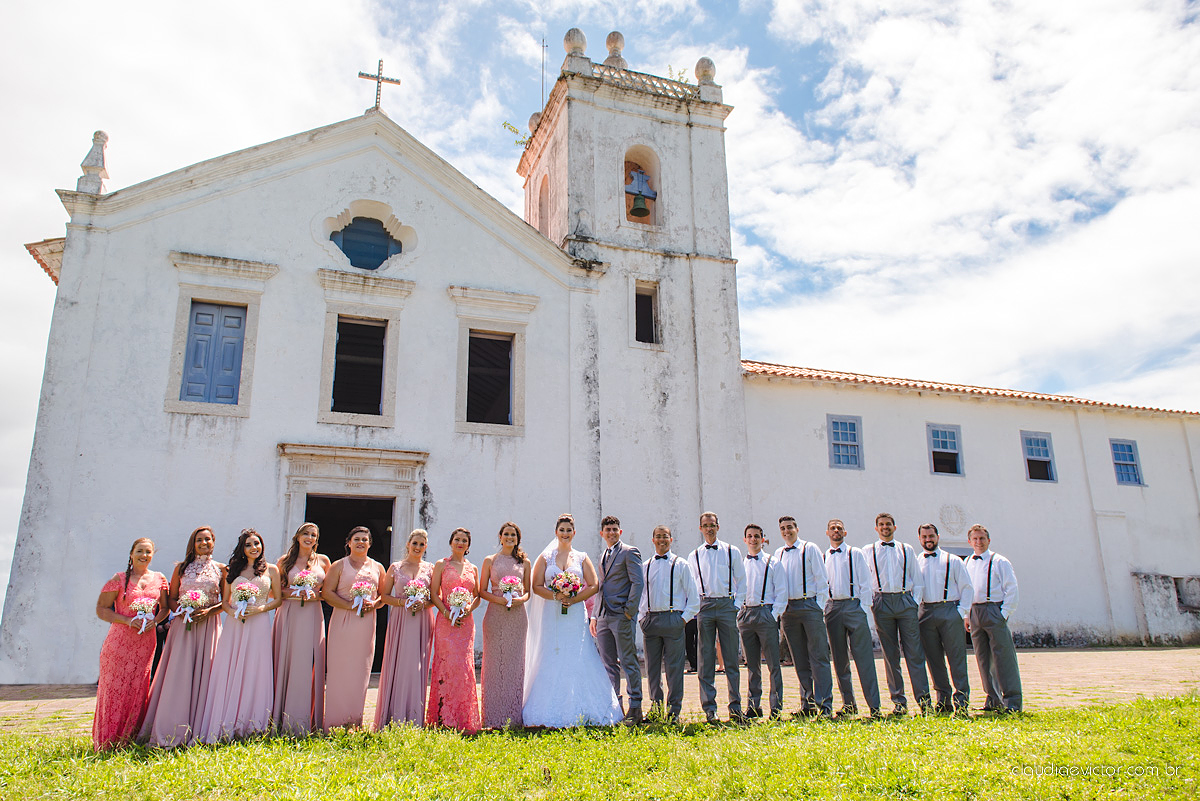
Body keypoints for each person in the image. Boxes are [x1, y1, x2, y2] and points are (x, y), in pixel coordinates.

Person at [522, 513, 622, 727]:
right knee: (552, 652)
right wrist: (556, 596)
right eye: (562, 530)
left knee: (578, 654)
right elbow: (537, 585)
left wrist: (575, 599)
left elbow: (594, 585)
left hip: (575, 614)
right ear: (556, 532)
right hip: (552, 614)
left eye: (569, 530)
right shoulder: (546, 557)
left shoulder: (581, 557)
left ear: (574, 533)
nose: (565, 533)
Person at [139, 525, 225, 747]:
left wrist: (208, 611)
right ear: (192, 543)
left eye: (208, 539)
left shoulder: (221, 569)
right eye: (199, 540)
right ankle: (171, 724)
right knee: (179, 672)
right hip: (183, 624)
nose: (204, 543)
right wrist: (186, 607)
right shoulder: (181, 568)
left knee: (207, 672)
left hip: (209, 626)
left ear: (214, 542)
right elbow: (171, 599)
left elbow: (226, 601)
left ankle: (200, 729)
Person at [197, 527, 282, 742]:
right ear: (242, 548)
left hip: (259, 623)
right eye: (249, 544)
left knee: (256, 666)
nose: (254, 548)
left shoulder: (271, 570)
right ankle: (227, 719)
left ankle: (253, 723)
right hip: (236, 624)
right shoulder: (232, 570)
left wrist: (260, 609)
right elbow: (225, 602)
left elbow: (278, 600)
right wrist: (234, 612)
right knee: (232, 665)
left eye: (257, 543)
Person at [93, 537, 169, 750]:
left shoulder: (160, 578)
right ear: (131, 554)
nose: (144, 555)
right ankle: (108, 741)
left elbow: (164, 608)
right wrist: (127, 620)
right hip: (119, 641)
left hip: (146, 642)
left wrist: (156, 621)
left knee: (138, 688)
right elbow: (101, 609)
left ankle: (131, 738)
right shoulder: (118, 579)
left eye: (148, 552)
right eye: (140, 551)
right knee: (114, 689)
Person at [864, 512, 930, 715]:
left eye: (889, 524)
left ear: (895, 527)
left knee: (914, 652)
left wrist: (913, 602)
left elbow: (916, 578)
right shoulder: (868, 550)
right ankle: (899, 701)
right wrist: (871, 603)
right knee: (890, 654)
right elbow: (865, 579)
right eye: (881, 524)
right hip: (881, 601)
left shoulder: (906, 548)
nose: (885, 527)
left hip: (904, 600)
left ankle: (924, 701)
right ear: (876, 528)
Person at [323, 526, 385, 730]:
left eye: (364, 539)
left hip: (366, 623)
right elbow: (327, 593)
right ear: (348, 542)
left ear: (369, 543)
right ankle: (335, 720)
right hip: (343, 620)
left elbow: (383, 596)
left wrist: (373, 604)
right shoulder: (338, 565)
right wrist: (350, 605)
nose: (361, 542)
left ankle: (355, 720)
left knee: (361, 670)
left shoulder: (377, 567)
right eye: (356, 539)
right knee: (340, 669)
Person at [272, 522, 331, 735]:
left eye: (313, 535)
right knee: (287, 660)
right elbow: (274, 593)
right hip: (289, 614)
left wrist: (317, 594)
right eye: (305, 533)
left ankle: (308, 718)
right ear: (298, 537)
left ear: (317, 539)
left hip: (313, 615)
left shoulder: (323, 561)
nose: (309, 537)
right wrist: (295, 593)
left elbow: (329, 591)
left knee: (309, 661)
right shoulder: (284, 561)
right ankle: (282, 717)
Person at [688, 511, 746, 724]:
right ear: (700, 528)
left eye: (712, 524)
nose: (709, 528)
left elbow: (742, 580)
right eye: (705, 525)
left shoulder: (732, 551)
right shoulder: (694, 555)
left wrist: (736, 606)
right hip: (705, 606)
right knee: (705, 659)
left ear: (718, 527)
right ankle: (709, 708)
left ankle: (735, 706)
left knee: (731, 658)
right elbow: (691, 584)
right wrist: (695, 609)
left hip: (726, 605)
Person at [374, 529, 436, 728]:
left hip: (422, 620)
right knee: (399, 663)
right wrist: (403, 603)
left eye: (422, 544)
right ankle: (393, 714)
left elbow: (435, 598)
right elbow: (384, 596)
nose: (418, 547)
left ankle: (414, 715)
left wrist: (424, 604)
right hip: (401, 619)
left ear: (425, 547)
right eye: (415, 543)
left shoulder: (430, 569)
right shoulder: (395, 567)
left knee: (417, 665)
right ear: (408, 544)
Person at [638, 525, 699, 724]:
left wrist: (683, 619)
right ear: (653, 540)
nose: (662, 540)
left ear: (671, 540)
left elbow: (694, 596)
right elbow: (641, 595)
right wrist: (642, 617)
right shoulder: (645, 566)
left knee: (674, 668)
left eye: (665, 537)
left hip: (674, 619)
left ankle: (674, 711)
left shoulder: (681, 564)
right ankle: (655, 709)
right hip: (651, 620)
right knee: (652, 669)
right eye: (658, 537)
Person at [823, 519, 881, 718]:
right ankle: (849, 703)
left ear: (845, 532)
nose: (836, 531)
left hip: (854, 606)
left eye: (839, 528)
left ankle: (874, 706)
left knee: (864, 659)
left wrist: (864, 609)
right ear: (827, 533)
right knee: (839, 660)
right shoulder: (825, 556)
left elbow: (865, 582)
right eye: (833, 528)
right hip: (833, 607)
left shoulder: (855, 553)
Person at [775, 515, 832, 717]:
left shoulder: (810, 548)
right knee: (799, 659)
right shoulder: (778, 553)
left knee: (819, 657)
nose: (786, 531)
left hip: (809, 605)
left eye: (789, 527)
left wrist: (818, 606)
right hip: (789, 610)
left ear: (797, 529)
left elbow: (821, 579)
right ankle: (807, 704)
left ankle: (825, 705)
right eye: (782, 528)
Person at [426, 527, 482, 732]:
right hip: (445, 621)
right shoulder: (442, 564)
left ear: (468, 545)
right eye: (457, 539)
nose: (460, 543)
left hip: (466, 623)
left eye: (464, 540)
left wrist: (468, 608)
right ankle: (442, 716)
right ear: (451, 542)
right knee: (446, 665)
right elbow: (434, 594)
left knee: (464, 666)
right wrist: (447, 613)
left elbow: (478, 595)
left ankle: (463, 717)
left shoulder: (473, 568)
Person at [591, 514, 645, 723]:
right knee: (608, 664)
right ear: (602, 533)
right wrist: (595, 615)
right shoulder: (603, 554)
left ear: (620, 532)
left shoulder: (629, 552)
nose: (611, 533)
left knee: (628, 661)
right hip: (604, 616)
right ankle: (615, 706)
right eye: (608, 530)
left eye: (615, 529)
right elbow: (601, 588)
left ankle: (636, 706)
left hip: (622, 616)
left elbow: (637, 583)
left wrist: (629, 612)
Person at [477, 522, 531, 729]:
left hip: (517, 615)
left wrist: (520, 600)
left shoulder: (524, 563)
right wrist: (500, 599)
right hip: (496, 613)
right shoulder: (490, 560)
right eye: (506, 534)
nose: (509, 538)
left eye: (513, 535)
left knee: (515, 664)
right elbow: (482, 590)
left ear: (518, 539)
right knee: (494, 663)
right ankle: (492, 716)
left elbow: (527, 591)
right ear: (500, 537)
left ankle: (513, 714)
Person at [915, 523, 973, 713]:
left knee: (956, 658)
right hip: (926, 611)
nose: (928, 540)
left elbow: (967, 588)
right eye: (924, 537)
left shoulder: (953, 560)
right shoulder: (916, 561)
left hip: (949, 610)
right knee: (933, 659)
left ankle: (962, 701)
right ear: (919, 539)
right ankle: (943, 699)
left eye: (931, 536)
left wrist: (960, 612)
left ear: (938, 537)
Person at [965, 524, 1022, 713]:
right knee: (983, 658)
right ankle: (992, 699)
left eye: (982, 538)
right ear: (969, 541)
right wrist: (966, 614)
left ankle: (1012, 701)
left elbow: (1011, 588)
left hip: (994, 609)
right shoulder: (967, 562)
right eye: (975, 539)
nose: (978, 542)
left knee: (1003, 658)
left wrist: (1004, 613)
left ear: (988, 540)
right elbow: (965, 590)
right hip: (975, 611)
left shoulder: (1000, 561)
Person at [738, 524, 787, 719]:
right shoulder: (741, 563)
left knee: (774, 663)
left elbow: (782, 591)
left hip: (766, 613)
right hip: (746, 615)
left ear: (762, 539)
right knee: (752, 664)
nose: (753, 539)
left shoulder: (772, 562)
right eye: (749, 536)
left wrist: (773, 615)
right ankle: (753, 705)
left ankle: (776, 706)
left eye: (757, 536)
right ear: (745, 540)